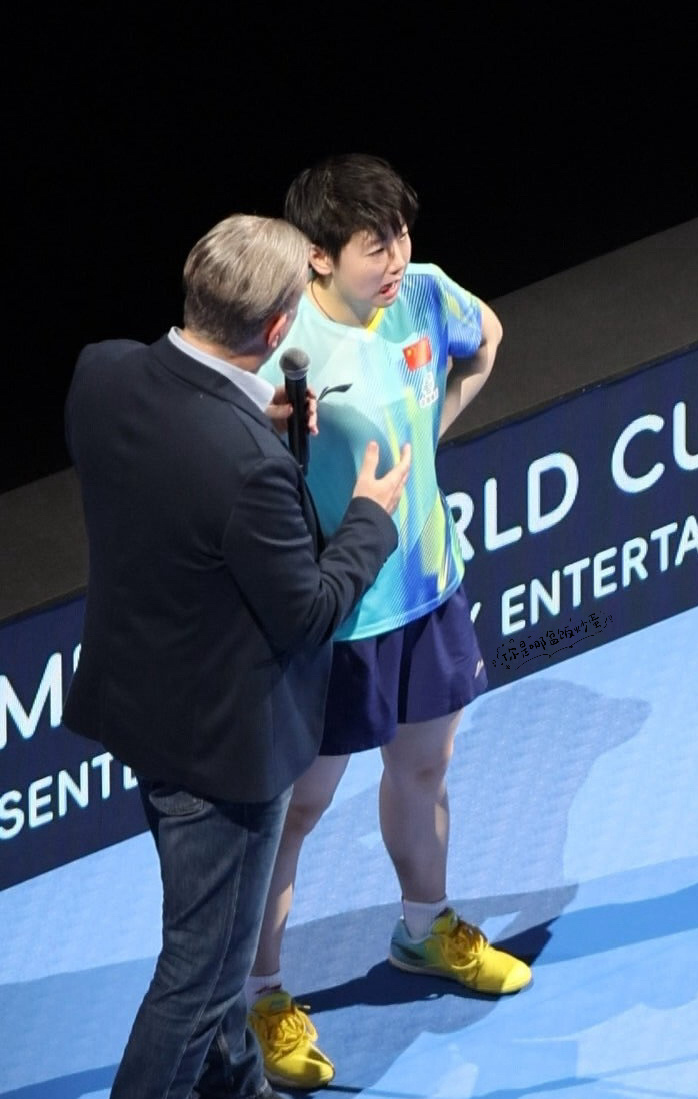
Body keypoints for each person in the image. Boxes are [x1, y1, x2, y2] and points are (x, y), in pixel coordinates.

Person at [62, 212, 411, 1099]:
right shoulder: (248, 467)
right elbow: (309, 613)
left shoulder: (100, 372)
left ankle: (238, 1087)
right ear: (282, 324)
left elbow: (174, 486)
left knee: (212, 945)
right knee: (204, 971)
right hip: (223, 748)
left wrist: (255, 418)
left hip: (142, 706)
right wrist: (370, 517)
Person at [247, 154, 532, 1090]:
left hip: (428, 588)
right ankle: (260, 993)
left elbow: (487, 338)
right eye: (376, 245)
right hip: (334, 616)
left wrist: (430, 435)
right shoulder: (282, 342)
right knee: (297, 810)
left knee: (424, 768)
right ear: (319, 256)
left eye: (402, 234)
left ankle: (424, 928)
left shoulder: (425, 295)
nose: (398, 258)